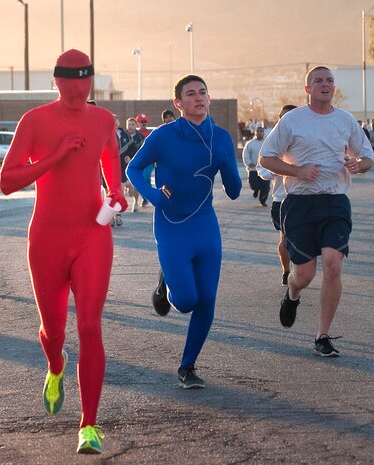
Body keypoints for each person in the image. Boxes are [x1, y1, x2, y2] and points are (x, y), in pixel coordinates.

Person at [0, 50, 126, 454]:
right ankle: (56, 366)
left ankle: (89, 424)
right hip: (48, 237)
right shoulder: (35, 121)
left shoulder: (104, 120)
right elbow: (6, 182)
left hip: (92, 234)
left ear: (91, 82)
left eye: (84, 81)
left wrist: (116, 190)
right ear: (56, 82)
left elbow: (108, 155)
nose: (76, 89)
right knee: (53, 332)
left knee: (90, 325)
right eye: (68, 81)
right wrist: (55, 156)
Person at [126, 74, 242, 388]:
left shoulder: (220, 137)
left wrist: (228, 162)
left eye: (203, 92)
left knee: (206, 300)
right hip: (171, 225)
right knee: (187, 300)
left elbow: (234, 191)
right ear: (178, 103)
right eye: (190, 94)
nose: (198, 98)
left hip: (205, 225)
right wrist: (150, 195)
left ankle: (187, 366)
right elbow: (132, 168)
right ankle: (165, 283)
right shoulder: (164, 136)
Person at [259, 66, 374, 357]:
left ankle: (322, 336)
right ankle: (293, 293)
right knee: (305, 275)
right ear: (307, 89)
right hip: (299, 203)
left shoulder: (345, 120)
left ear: (334, 87)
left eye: (329, 81)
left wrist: (359, 164)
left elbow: (368, 156)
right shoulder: (292, 120)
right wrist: (297, 170)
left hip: (335, 201)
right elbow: (267, 157)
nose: (325, 84)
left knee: (333, 265)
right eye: (318, 81)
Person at [257, 104, 296, 286]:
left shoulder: (305, 139)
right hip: (281, 199)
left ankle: (301, 270)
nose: (283, 121)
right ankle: (287, 271)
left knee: (303, 239)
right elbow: (261, 167)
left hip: (306, 198)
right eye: (281, 117)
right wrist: (273, 171)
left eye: (288, 117)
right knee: (285, 237)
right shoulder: (272, 141)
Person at [121, 117, 145, 212]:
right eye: (129, 124)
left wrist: (131, 157)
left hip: (136, 163)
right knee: (123, 184)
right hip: (122, 163)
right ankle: (121, 204)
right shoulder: (123, 135)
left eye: (132, 124)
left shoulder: (140, 138)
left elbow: (142, 152)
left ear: (136, 126)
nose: (130, 126)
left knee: (135, 184)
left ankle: (135, 202)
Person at [242, 126, 270, 206]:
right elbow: (245, 154)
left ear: (264, 133)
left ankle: (263, 200)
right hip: (253, 169)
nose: (260, 132)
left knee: (265, 187)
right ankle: (256, 190)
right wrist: (249, 163)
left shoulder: (267, 143)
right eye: (258, 131)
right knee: (254, 184)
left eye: (261, 131)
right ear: (255, 132)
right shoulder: (250, 144)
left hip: (265, 169)